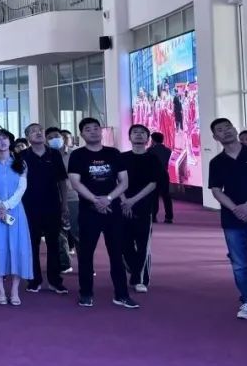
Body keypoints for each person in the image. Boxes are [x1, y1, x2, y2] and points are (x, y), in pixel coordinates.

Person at [67, 117, 138, 309]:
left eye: (96, 128)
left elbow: (124, 182)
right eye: (88, 129)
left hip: (112, 210)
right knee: (86, 254)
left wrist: (108, 198)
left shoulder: (113, 153)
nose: (93, 132)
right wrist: (95, 200)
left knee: (116, 253)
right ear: (82, 134)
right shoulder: (77, 155)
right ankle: (86, 293)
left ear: (101, 131)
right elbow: (75, 183)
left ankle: (121, 294)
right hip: (88, 210)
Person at [208, 118, 247, 319]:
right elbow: (216, 190)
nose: (226, 131)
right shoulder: (216, 162)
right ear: (215, 137)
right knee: (239, 264)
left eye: (228, 127)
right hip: (232, 220)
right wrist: (236, 209)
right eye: (220, 130)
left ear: (235, 130)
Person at [0, 130, 33, 306]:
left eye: (5, 139)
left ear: (10, 141)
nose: (2, 142)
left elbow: (22, 188)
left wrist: (7, 205)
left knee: (17, 248)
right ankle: (1, 290)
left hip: (15, 210)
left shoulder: (21, 163)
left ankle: (15, 290)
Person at [22, 124, 69, 295]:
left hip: (52, 205)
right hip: (29, 206)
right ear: (27, 137)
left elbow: (62, 181)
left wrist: (64, 204)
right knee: (32, 244)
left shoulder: (54, 154)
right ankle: (34, 280)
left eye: (40, 130)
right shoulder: (22, 156)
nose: (38, 133)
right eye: (33, 131)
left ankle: (55, 281)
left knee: (53, 243)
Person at [120, 125, 166, 293]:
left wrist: (132, 201)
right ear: (129, 137)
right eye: (135, 132)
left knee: (143, 244)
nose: (138, 135)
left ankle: (139, 279)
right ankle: (134, 268)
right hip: (122, 205)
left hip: (144, 205)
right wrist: (124, 200)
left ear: (148, 138)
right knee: (123, 244)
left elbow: (153, 183)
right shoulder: (122, 158)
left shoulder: (153, 159)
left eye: (142, 133)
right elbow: (117, 181)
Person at [48, 127, 79, 272]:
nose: (54, 139)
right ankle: (64, 263)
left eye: (56, 136)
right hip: (53, 198)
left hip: (73, 197)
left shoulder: (74, 154)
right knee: (58, 234)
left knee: (77, 232)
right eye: (50, 137)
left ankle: (86, 265)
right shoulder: (47, 156)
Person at [148, 132, 174, 223]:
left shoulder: (150, 150)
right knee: (166, 196)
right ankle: (169, 217)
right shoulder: (168, 150)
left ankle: (153, 216)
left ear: (153, 140)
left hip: (153, 175)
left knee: (154, 196)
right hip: (164, 174)